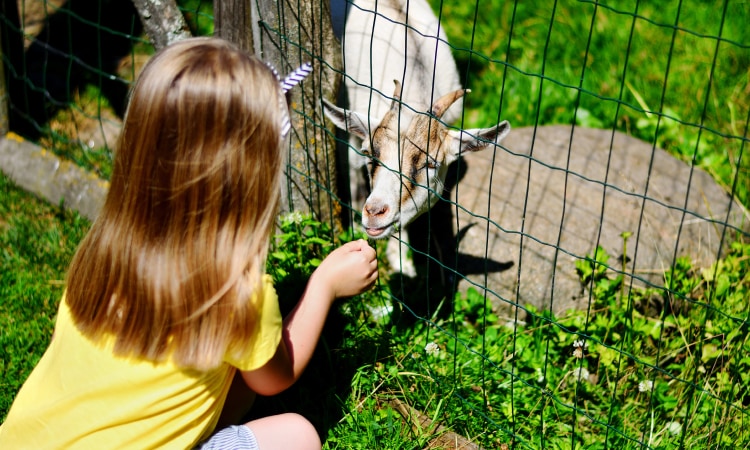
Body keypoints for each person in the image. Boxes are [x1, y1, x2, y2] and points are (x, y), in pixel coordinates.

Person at [0, 37, 378, 449]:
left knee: (235, 378)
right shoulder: (239, 296)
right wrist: (323, 285)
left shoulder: (101, 253)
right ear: (250, 182)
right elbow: (277, 378)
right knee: (297, 436)